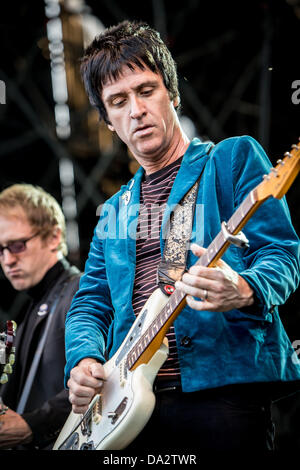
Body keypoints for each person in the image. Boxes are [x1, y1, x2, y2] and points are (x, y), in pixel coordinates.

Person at [63, 20, 300, 451]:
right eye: (118, 101)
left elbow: (282, 253)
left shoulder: (230, 161)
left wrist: (245, 286)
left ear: (172, 94)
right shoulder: (114, 209)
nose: (135, 109)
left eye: (146, 90)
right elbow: (90, 303)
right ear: (109, 121)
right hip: (125, 410)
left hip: (220, 399)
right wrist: (82, 359)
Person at [0, 184, 81, 450]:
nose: (7, 260)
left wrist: (34, 425)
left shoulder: (80, 291)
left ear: (54, 237)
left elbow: (106, 377)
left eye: (17, 245)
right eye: (0, 250)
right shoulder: (34, 309)